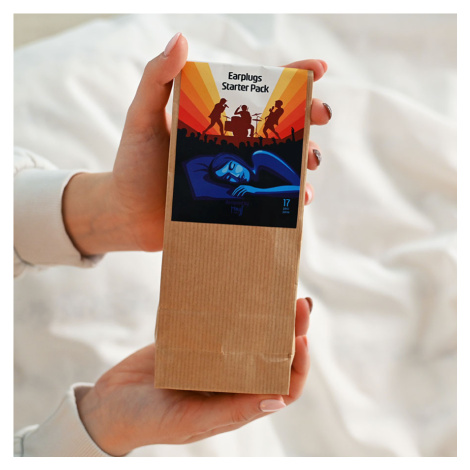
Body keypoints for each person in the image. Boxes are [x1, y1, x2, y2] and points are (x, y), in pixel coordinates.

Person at [14, 32, 331, 456]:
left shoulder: (258, 166)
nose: (234, 175)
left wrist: (116, 209)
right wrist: (102, 423)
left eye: (234, 168)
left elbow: (285, 186)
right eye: (227, 175)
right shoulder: (217, 178)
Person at [209, 150, 300, 197]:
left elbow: (299, 187)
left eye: (233, 167)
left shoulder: (260, 158)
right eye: (228, 177)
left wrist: (258, 191)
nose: (236, 176)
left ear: (237, 160)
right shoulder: (243, 190)